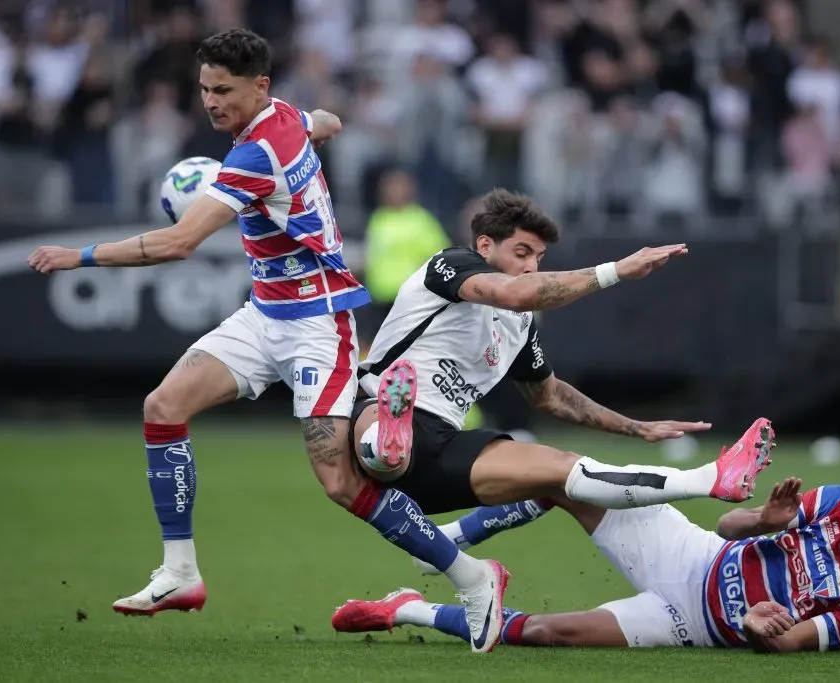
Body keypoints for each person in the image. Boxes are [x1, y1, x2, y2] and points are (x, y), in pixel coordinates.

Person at [25, 29, 510, 653]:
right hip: (264, 315)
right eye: (203, 88)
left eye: (222, 90)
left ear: (259, 86)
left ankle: (472, 577)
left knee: (340, 482)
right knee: (162, 407)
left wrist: (78, 255)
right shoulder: (282, 118)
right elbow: (317, 119)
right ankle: (180, 572)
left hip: (318, 325)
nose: (209, 101)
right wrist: (320, 124)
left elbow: (178, 243)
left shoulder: (255, 155)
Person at [347, 187, 774, 529]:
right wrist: (614, 271)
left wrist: (636, 427)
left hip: (442, 445)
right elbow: (513, 292)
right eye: (522, 253)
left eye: (539, 257)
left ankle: (715, 479)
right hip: (368, 411)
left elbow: (549, 396)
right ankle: (386, 444)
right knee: (389, 449)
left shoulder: (518, 325)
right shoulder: (451, 265)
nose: (532, 266)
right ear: (485, 245)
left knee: (568, 473)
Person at [334, 463, 840, 653]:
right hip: (693, 553)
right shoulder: (832, 504)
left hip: (691, 624)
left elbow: (790, 643)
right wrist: (762, 521)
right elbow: (729, 527)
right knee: (562, 479)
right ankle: (446, 543)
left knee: (545, 632)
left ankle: (406, 610)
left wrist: (755, 628)